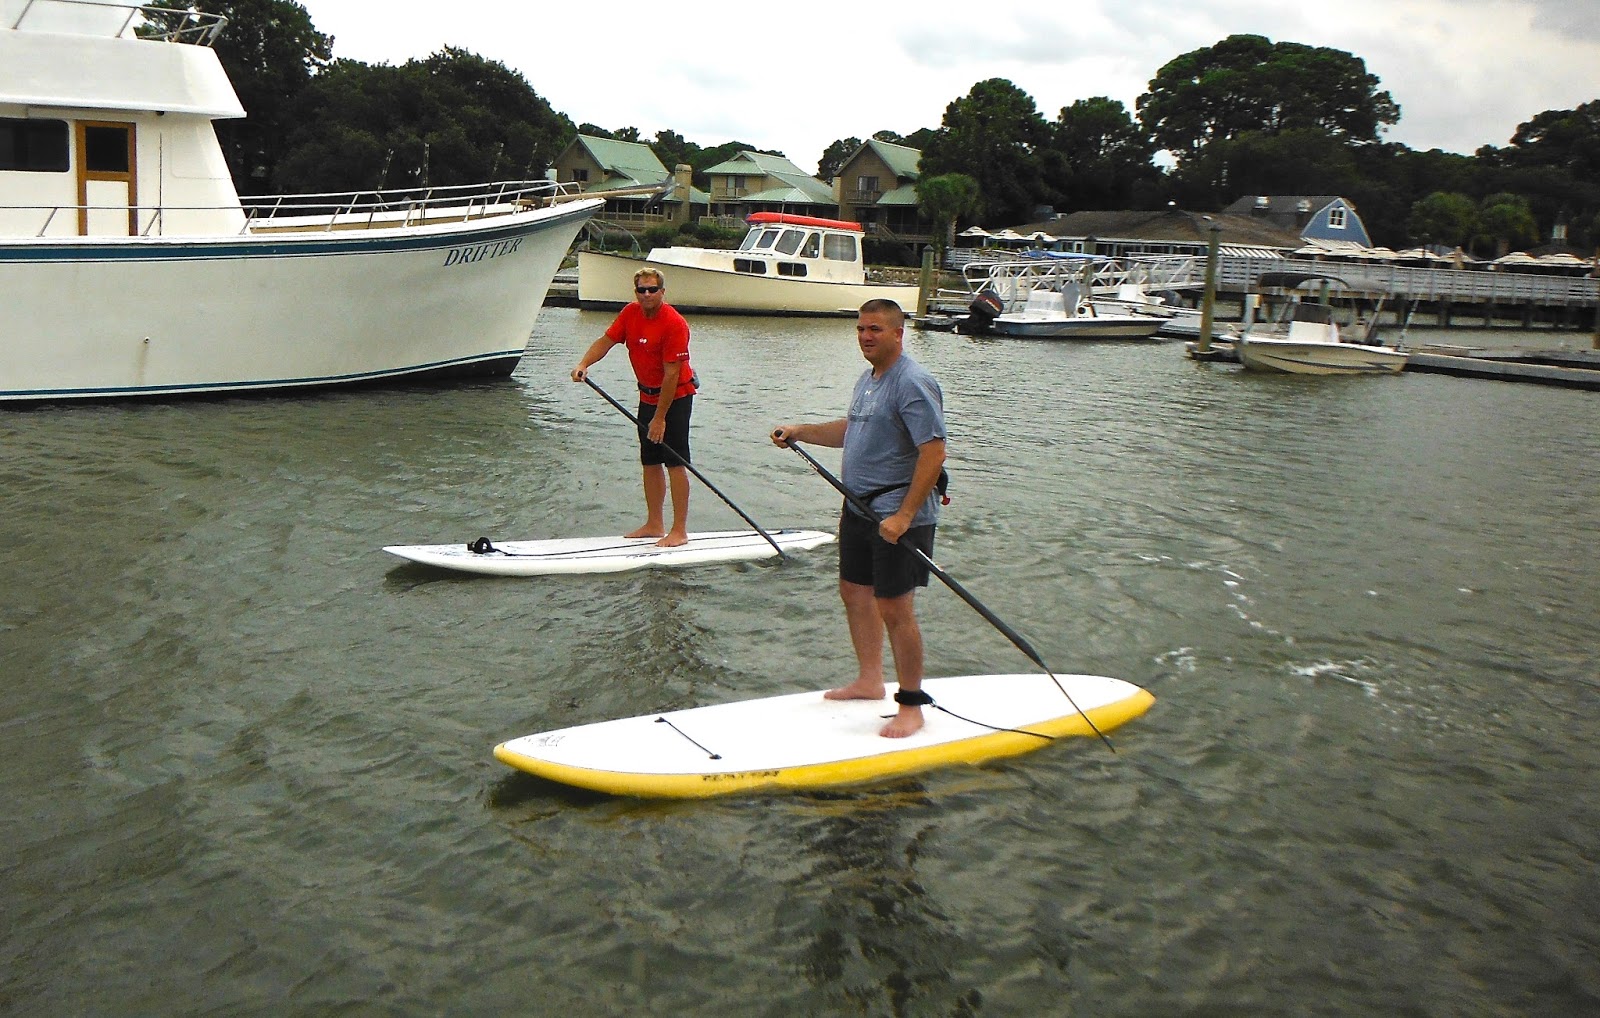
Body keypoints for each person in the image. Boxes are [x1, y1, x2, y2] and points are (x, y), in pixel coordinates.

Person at [771, 299, 946, 738]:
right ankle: (870, 680)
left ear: (897, 334)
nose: (866, 337)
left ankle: (911, 704)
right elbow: (852, 429)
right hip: (858, 509)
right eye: (861, 329)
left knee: (895, 607)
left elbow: (933, 450)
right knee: (853, 591)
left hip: (896, 515)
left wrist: (905, 515)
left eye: (876, 330)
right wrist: (800, 431)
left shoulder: (913, 382)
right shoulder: (867, 381)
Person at [571, 268, 697, 547]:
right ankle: (655, 523)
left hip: (675, 398)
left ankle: (679, 531)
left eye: (653, 290)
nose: (647, 295)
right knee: (649, 460)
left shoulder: (674, 324)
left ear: (663, 292)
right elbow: (606, 341)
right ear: (636, 292)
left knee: (675, 463)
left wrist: (660, 418)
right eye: (642, 290)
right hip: (647, 396)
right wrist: (584, 364)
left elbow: (672, 374)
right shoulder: (630, 313)